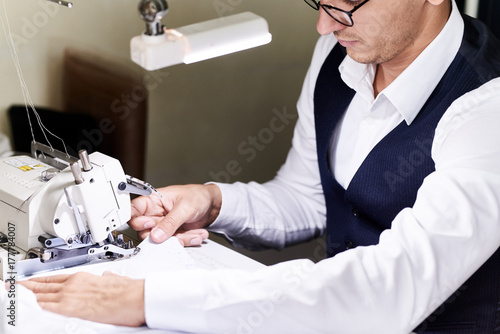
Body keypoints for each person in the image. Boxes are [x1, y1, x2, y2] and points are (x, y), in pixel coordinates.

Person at [20, 0, 500, 332]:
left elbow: (387, 292)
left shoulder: (487, 109)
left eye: (350, 2)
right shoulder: (342, 51)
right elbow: (308, 199)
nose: (325, 26)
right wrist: (213, 202)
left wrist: (144, 301)